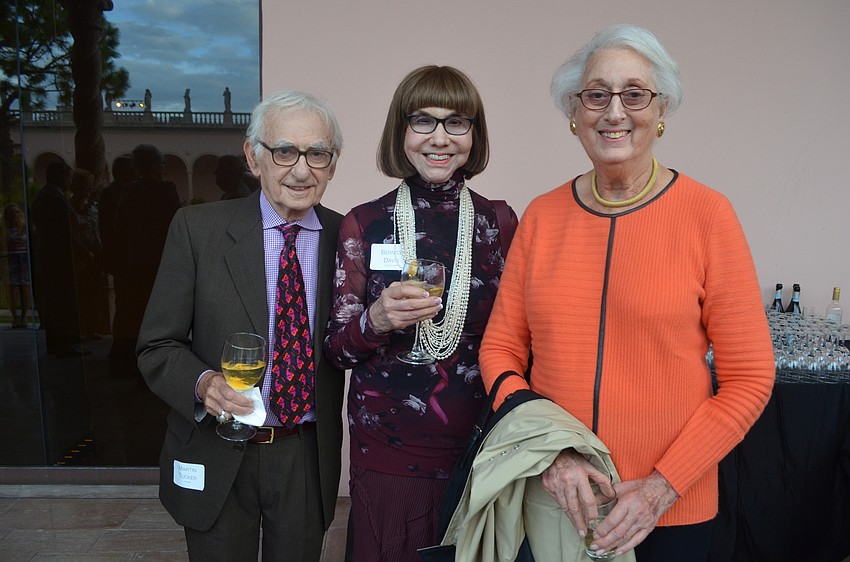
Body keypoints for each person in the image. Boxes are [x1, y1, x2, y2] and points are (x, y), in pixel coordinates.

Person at [479, 24, 775, 562]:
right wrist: (552, 456)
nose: (614, 112)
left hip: (670, 510)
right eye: (596, 95)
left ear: (661, 111)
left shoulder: (708, 215)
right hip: (554, 503)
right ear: (575, 113)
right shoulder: (543, 216)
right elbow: (500, 350)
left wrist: (663, 485)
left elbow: (750, 377)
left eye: (634, 94)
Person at [137, 90, 346, 562]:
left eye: (317, 154)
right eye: (284, 151)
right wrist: (203, 382)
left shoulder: (347, 236)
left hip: (304, 456)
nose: (300, 170)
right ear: (253, 157)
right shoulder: (197, 230)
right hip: (218, 446)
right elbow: (156, 346)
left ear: (332, 165)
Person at [323, 65, 518, 561]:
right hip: (389, 447)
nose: (439, 138)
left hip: (480, 442)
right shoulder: (364, 222)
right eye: (422, 121)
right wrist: (377, 322)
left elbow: (520, 335)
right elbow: (336, 350)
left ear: (474, 135)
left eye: (457, 122)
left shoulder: (500, 221)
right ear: (401, 132)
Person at [112, 144, 180, 379]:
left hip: (137, 262)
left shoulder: (129, 191)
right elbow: (176, 226)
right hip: (161, 261)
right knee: (160, 317)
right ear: (154, 166)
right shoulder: (166, 190)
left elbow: (120, 228)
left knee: (137, 314)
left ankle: (134, 365)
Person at [32, 161, 88, 357]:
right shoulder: (55, 199)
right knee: (62, 301)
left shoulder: (45, 196)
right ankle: (63, 344)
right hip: (58, 258)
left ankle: (58, 342)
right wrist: (82, 251)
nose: (70, 182)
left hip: (49, 256)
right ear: (61, 176)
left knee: (56, 301)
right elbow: (63, 232)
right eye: (69, 177)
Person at [2, 203, 31, 328]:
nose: (14, 215)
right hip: (9, 259)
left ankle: (24, 316)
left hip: (23, 260)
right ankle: (14, 316)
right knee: (10, 288)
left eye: (16, 212)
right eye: (11, 212)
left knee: (24, 287)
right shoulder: (3, 229)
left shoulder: (24, 228)